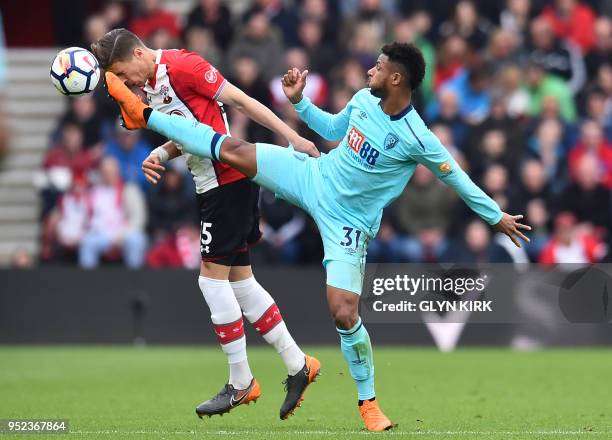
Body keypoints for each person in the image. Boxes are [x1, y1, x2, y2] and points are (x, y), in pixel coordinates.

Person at [104, 42, 531, 431]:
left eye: (378, 67)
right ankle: (149, 117)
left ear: (397, 78)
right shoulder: (365, 100)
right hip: (314, 175)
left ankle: (368, 403)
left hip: (347, 222)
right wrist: (299, 103)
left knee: (343, 312)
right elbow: (331, 128)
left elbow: (456, 178)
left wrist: (495, 217)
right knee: (231, 148)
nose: (370, 72)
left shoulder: (417, 136)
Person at [91, 28, 318, 420]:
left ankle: (241, 381)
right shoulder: (155, 84)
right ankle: (299, 365)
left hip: (227, 181)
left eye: (122, 73)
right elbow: (191, 130)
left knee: (209, 281)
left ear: (139, 53)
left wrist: (291, 137)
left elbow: (241, 102)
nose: (125, 83)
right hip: (214, 185)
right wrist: (162, 153)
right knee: (241, 284)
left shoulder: (183, 66)